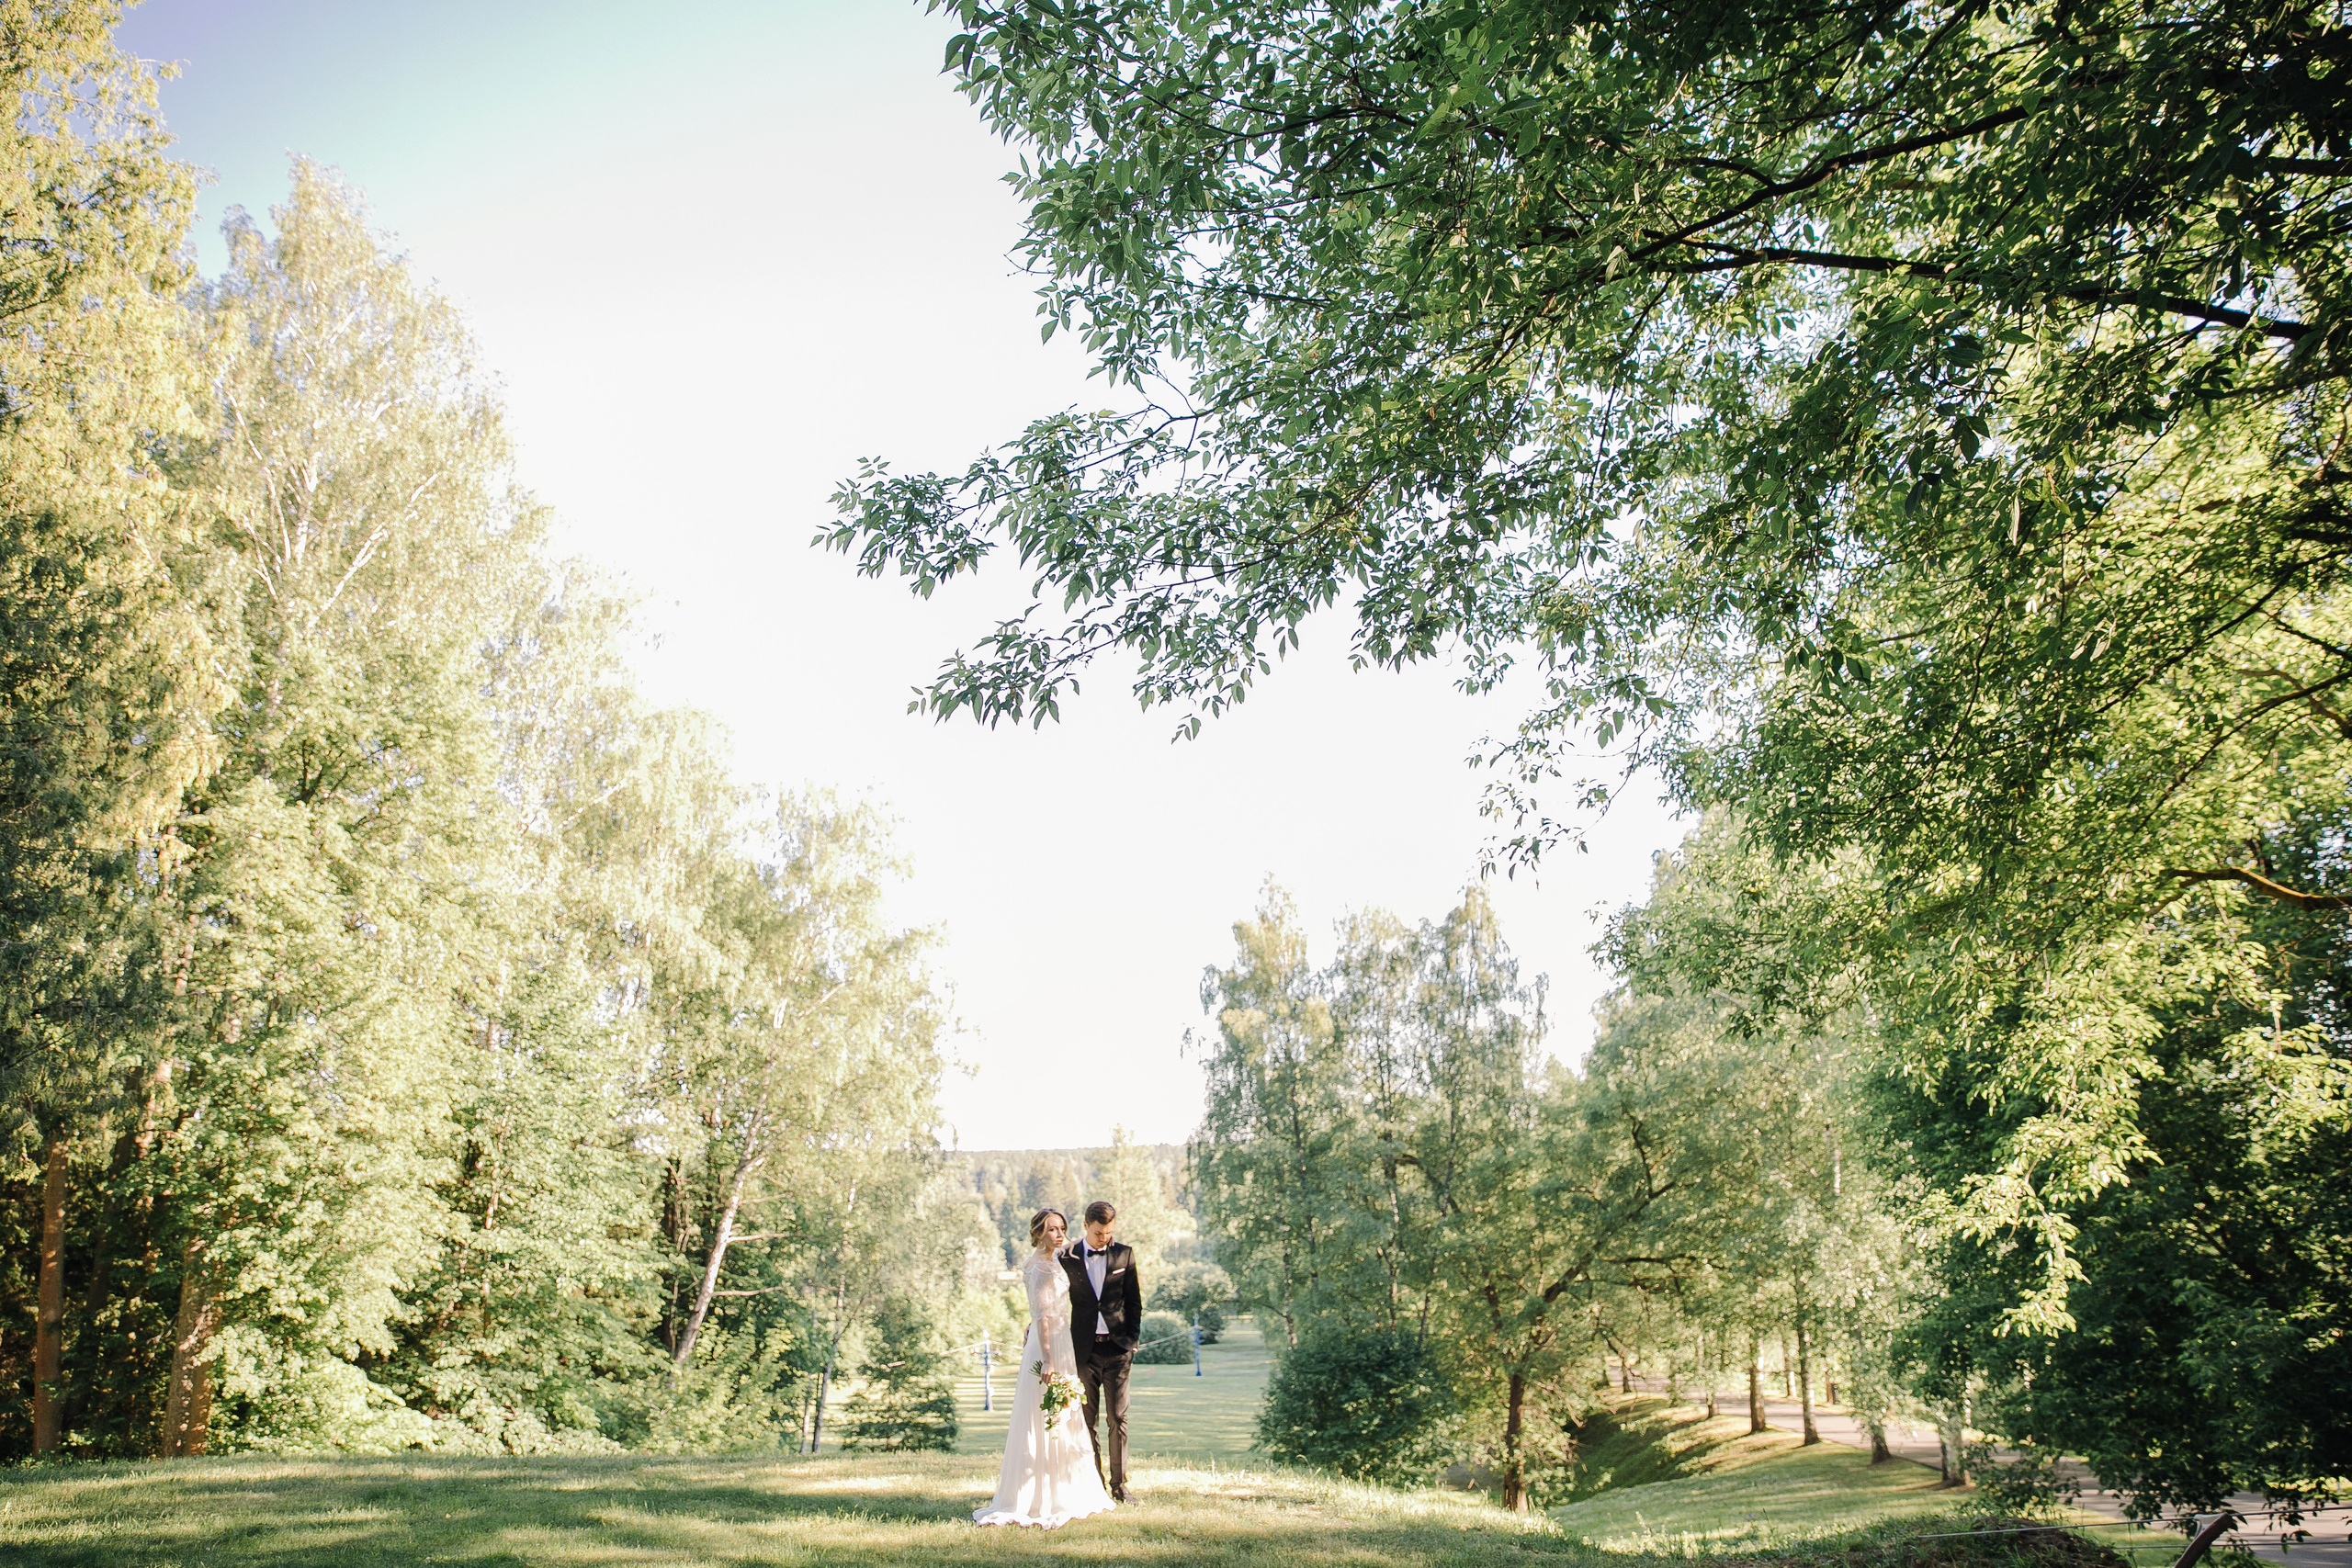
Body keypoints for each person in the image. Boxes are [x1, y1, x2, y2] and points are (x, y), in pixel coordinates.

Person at [971, 1207, 1117, 1529]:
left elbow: (1044, 1307)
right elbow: (1043, 1315)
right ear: (1038, 1232)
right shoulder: (1039, 1266)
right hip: (1050, 1345)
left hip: (1059, 1339)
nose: (1059, 1234)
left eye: (1062, 1228)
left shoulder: (1051, 1260)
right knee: (1044, 1413)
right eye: (1052, 1229)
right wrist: (1049, 1359)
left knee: (1063, 1413)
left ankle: (1064, 1483)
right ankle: (1036, 1495)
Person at [1059, 1199, 1142, 1501]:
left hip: (1118, 1350)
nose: (1104, 1239)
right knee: (1087, 1421)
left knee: (1118, 1418)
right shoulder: (1066, 1257)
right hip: (1083, 1351)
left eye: (1108, 1233)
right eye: (1098, 1233)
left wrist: (1131, 1342)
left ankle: (1120, 1486)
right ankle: (1095, 1485)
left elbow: (1134, 1303)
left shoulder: (1124, 1254)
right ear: (1085, 1227)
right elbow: (1053, 1299)